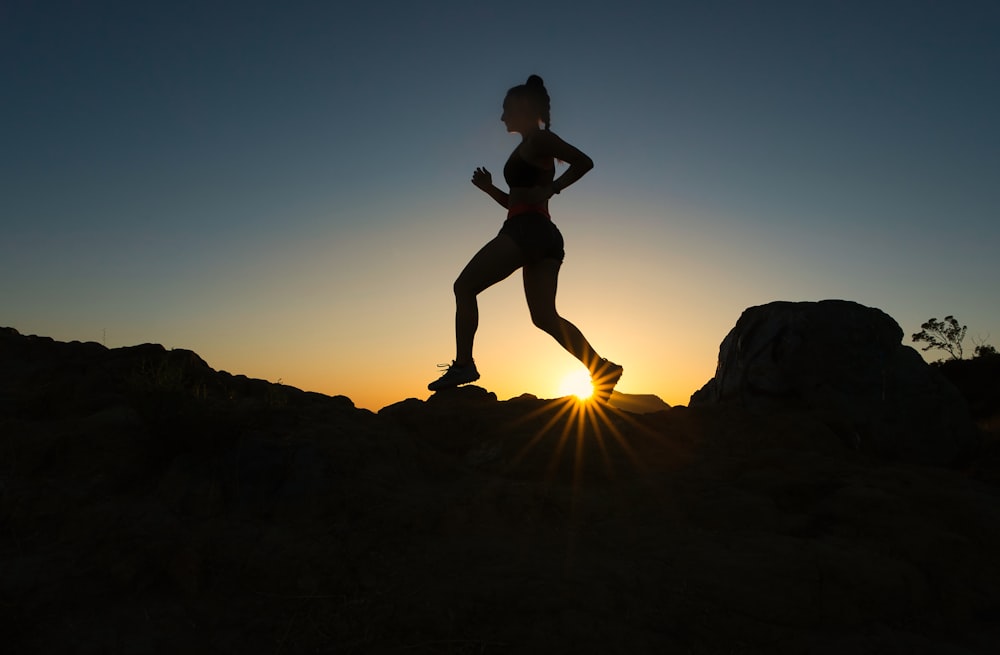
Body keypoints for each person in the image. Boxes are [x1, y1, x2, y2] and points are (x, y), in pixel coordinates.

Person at [428, 74, 623, 402]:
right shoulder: (529, 145)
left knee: (464, 287)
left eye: (506, 109)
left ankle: (464, 365)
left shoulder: (539, 141)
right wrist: (491, 189)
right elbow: (517, 201)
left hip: (527, 231)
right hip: (541, 233)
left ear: (522, 108)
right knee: (545, 317)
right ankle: (601, 368)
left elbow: (584, 162)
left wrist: (554, 187)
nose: (502, 116)